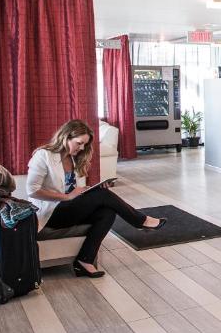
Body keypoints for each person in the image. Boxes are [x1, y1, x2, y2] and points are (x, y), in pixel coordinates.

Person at [26, 119, 165, 278]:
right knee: (104, 196)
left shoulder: (74, 158)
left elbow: (74, 189)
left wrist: (89, 190)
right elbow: (32, 190)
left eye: (84, 144)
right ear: (66, 137)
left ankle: (84, 261)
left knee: (107, 212)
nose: (82, 148)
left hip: (70, 208)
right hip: (50, 213)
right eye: (79, 143)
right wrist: (66, 196)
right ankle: (141, 221)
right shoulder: (44, 155)